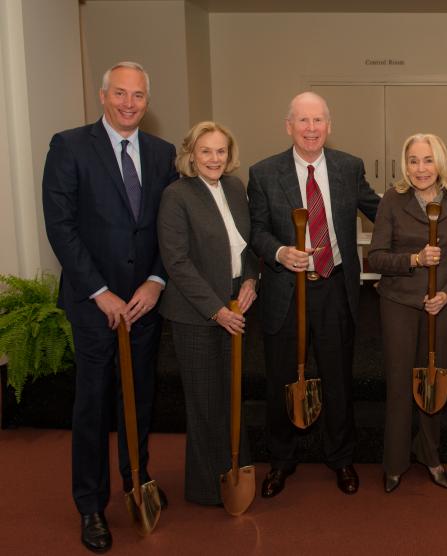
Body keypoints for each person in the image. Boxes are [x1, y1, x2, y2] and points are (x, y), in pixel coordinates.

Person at [42, 61, 177, 553]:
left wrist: (157, 281)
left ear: (147, 101)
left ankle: (136, 481)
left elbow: (169, 225)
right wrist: (100, 292)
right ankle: (91, 505)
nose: (128, 103)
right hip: (94, 304)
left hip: (143, 304)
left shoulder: (163, 154)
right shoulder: (69, 146)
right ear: (103, 97)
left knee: (139, 400)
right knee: (94, 406)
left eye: (137, 95)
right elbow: (61, 226)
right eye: (119, 93)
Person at [248, 91, 380, 497]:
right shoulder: (264, 173)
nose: (310, 129)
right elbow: (256, 230)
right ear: (288, 126)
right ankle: (281, 461)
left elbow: (382, 211)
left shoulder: (348, 167)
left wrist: (427, 203)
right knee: (282, 380)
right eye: (302, 121)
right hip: (285, 292)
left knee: (338, 379)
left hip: (334, 288)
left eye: (318, 120)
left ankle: (341, 458)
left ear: (329, 126)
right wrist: (279, 252)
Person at [368, 133, 447, 493]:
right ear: (405, 164)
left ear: (440, 162)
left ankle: (431, 455)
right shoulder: (393, 200)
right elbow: (377, 257)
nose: (421, 168)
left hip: (441, 306)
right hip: (399, 302)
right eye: (413, 160)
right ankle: (396, 462)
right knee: (401, 384)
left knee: (434, 381)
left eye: (428, 160)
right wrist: (414, 259)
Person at [157, 121, 258, 506]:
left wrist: (251, 281)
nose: (214, 158)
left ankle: (237, 470)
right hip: (197, 314)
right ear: (191, 155)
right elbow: (177, 263)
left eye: (220, 151)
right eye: (206, 151)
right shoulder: (176, 196)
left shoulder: (234, 187)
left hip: (236, 303)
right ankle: (205, 487)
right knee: (205, 400)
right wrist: (217, 311)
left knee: (232, 394)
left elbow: (246, 246)